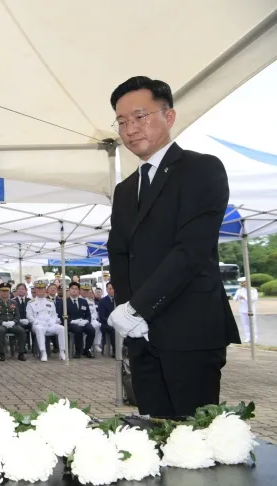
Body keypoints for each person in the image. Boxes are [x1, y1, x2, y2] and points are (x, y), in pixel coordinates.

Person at [107, 76, 239, 418]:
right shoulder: (125, 189)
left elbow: (191, 250)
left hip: (190, 330)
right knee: (153, 432)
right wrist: (127, 311)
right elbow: (119, 253)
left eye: (140, 117)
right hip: (140, 335)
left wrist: (138, 308)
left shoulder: (201, 169)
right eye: (122, 122)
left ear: (169, 116)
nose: (131, 129)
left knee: (194, 437)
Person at [27, 280, 66, 361]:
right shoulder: (31, 302)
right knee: (40, 329)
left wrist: (52, 321)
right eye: (38, 288)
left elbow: (54, 314)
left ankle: (62, 352)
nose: (40, 290)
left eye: (42, 288)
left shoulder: (50, 302)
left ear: (45, 290)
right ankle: (43, 352)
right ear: (35, 290)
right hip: (38, 324)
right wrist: (38, 322)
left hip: (49, 324)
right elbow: (29, 316)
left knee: (61, 328)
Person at [56, 282, 95, 359]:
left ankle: (87, 349)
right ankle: (78, 351)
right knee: (78, 330)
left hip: (82, 322)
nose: (74, 290)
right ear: (69, 290)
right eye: (72, 289)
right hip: (70, 323)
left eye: (76, 289)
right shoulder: (64, 302)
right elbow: (61, 315)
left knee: (91, 330)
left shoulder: (83, 301)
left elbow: (88, 314)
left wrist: (86, 321)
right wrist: (72, 321)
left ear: (79, 291)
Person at [0, 284, 27, 362]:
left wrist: (13, 322)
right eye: (3, 291)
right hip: (1, 324)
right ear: (0, 292)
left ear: (9, 292)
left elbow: (17, 316)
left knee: (21, 331)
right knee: (0, 331)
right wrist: (2, 322)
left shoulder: (14, 302)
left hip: (12, 324)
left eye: (6, 291)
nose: (5, 293)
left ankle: (21, 353)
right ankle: (1, 353)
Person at [234, 279, 258, 343]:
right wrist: (238, 297)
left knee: (252, 324)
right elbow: (234, 298)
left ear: (246, 282)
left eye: (242, 283)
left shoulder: (253, 290)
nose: (241, 284)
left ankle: (254, 338)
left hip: (250, 309)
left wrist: (244, 297)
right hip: (242, 309)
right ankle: (247, 337)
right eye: (240, 283)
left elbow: (254, 299)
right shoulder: (239, 290)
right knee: (245, 324)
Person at [81, 284, 102, 354]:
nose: (89, 293)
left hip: (92, 319)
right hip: (84, 320)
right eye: (88, 292)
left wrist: (93, 318)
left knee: (99, 325)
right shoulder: (81, 300)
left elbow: (95, 313)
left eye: (90, 292)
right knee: (89, 329)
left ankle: (96, 344)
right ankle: (85, 345)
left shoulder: (91, 301)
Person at [97, 282, 117, 357]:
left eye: (113, 289)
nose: (112, 290)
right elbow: (102, 316)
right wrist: (112, 322)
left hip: (118, 322)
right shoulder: (102, 301)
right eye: (110, 289)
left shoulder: (118, 300)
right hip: (106, 323)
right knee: (114, 329)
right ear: (107, 290)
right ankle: (116, 351)